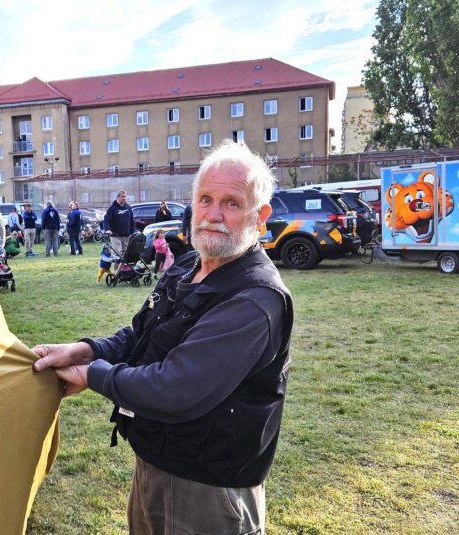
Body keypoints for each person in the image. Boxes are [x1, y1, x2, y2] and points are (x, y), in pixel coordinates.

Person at [32, 139, 293, 535]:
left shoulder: (255, 298)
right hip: (157, 461)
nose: (213, 215)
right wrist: (86, 349)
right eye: (205, 199)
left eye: (232, 203)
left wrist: (92, 375)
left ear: (260, 215)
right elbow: (141, 335)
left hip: (208, 486)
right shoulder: (188, 265)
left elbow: (178, 387)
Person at [103, 190, 135, 267]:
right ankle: (116, 273)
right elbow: (106, 219)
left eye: (125, 197)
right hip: (115, 235)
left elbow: (131, 220)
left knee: (125, 255)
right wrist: (107, 229)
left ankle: (124, 272)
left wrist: (132, 231)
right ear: (117, 197)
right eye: (122, 197)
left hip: (126, 235)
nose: (124, 198)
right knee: (118, 255)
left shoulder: (128, 207)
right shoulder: (112, 208)